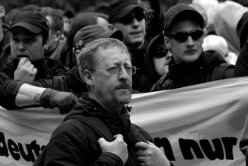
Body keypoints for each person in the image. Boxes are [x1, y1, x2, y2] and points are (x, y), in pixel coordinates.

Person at [34, 38, 171, 166]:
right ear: (88, 76)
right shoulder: (70, 135)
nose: (124, 76)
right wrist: (111, 160)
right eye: (113, 69)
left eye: (128, 68)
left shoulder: (141, 137)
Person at [0, 25, 123, 112]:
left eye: (114, 48)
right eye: (104, 49)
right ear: (79, 55)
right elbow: (4, 92)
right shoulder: (57, 86)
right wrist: (47, 95)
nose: (113, 55)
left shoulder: (124, 89)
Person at [151, 3, 234, 91]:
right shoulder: (161, 88)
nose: (190, 43)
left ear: (203, 36)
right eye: (181, 36)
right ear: (167, 41)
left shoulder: (227, 77)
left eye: (196, 35)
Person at [109, 0, 149, 93]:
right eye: (127, 19)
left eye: (139, 17)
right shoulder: (107, 63)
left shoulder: (166, 51)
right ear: (112, 28)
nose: (136, 24)